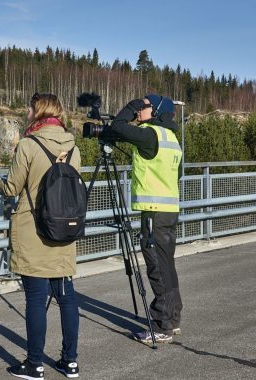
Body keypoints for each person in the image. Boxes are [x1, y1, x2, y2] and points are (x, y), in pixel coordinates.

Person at [0, 93, 81, 379]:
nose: (26, 112)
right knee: (66, 297)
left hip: (35, 231)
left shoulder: (29, 144)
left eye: (29, 108)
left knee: (37, 300)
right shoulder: (74, 146)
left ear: (37, 111)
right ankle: (70, 362)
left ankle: (35, 364)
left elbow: (11, 188)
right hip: (64, 229)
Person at [105, 94, 183, 344]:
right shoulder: (171, 138)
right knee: (167, 264)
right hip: (169, 211)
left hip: (153, 211)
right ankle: (172, 317)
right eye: (139, 107)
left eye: (144, 106)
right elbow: (178, 175)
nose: (140, 111)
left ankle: (162, 326)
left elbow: (117, 127)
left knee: (156, 266)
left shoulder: (151, 135)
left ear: (157, 112)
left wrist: (129, 108)